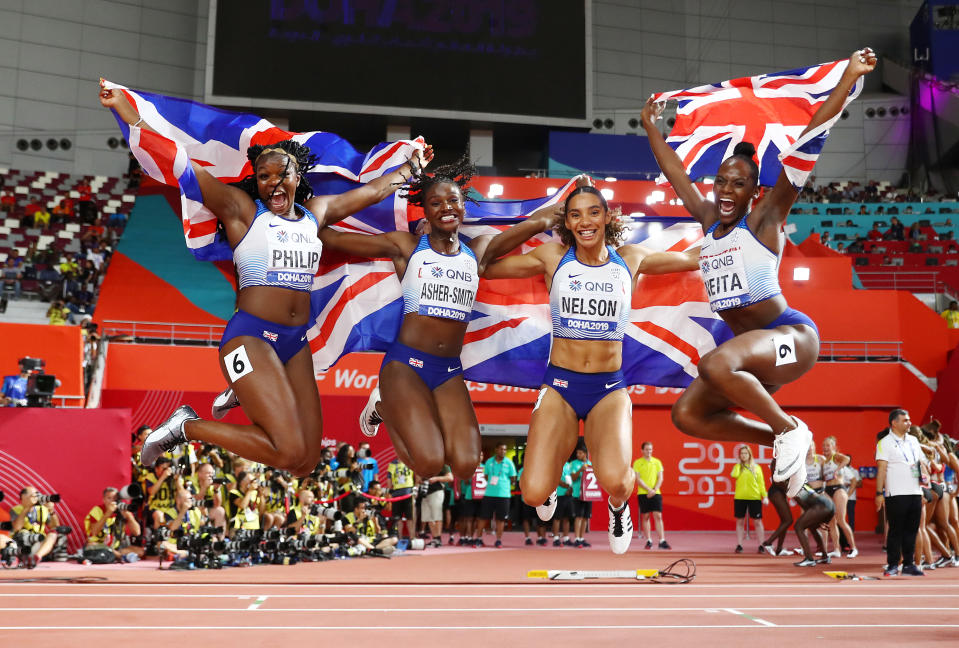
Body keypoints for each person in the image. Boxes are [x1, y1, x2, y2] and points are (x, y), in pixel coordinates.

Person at [100, 82, 433, 476]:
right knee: (287, 448)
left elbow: (375, 190)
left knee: (304, 463)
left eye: (283, 174)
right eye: (264, 176)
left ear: (297, 177)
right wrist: (132, 115)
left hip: (294, 344)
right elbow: (183, 167)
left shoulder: (316, 213)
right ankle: (185, 427)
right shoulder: (242, 212)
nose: (274, 182)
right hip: (251, 337)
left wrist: (414, 168)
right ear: (255, 181)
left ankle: (244, 393)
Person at [641, 49, 878, 498]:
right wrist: (652, 125)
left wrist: (847, 78)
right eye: (722, 181)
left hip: (792, 338)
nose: (727, 190)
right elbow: (676, 174)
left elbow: (807, 144)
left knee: (714, 362)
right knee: (687, 415)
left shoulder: (765, 219)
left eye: (738, 184)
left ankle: (789, 428)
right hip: (756, 362)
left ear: (755, 190)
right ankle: (783, 440)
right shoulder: (710, 221)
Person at [480, 184, 699, 554]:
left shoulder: (629, 259)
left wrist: (744, 233)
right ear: (565, 222)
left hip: (608, 388)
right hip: (560, 385)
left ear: (607, 217)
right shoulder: (553, 258)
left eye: (593, 212)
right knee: (532, 494)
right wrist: (535, 224)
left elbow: (692, 259)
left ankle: (618, 508)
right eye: (575, 214)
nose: (585, 221)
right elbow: (485, 266)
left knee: (616, 481)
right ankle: (548, 486)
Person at [340, 154, 495, 481]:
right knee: (427, 465)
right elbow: (338, 240)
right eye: (435, 202)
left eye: (453, 199)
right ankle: (383, 405)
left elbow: (532, 226)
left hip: (448, 369)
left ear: (464, 205)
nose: (446, 207)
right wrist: (304, 218)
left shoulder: (476, 253)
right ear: (424, 211)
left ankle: (393, 407)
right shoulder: (407, 247)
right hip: (406, 364)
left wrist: (561, 207)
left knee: (466, 466)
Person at [876, 409, 926, 576]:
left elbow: (920, 464)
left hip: (915, 492)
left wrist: (924, 486)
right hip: (896, 493)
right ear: (894, 423)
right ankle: (892, 564)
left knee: (912, 530)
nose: (909, 423)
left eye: (909, 420)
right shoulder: (884, 443)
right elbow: (881, 469)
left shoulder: (913, 441)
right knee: (896, 530)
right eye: (905, 420)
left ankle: (908, 565)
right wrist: (878, 493)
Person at [84, 487, 144, 562]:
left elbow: (137, 532)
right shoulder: (97, 510)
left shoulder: (122, 509)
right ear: (104, 500)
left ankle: (115, 555)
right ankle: (121, 557)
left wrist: (129, 516)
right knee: (91, 545)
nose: (113, 501)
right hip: (98, 545)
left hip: (115, 548)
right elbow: (94, 532)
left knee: (140, 551)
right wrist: (108, 513)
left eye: (115, 499)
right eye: (109, 498)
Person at [821, 436, 858, 557]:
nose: (825, 448)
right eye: (824, 445)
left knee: (841, 520)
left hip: (838, 488)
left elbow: (846, 459)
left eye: (828, 445)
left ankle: (853, 548)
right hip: (828, 489)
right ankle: (836, 549)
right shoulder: (823, 460)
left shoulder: (835, 456)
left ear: (833, 447)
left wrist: (838, 469)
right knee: (831, 521)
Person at [475, 442, 516, 548]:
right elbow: (486, 476)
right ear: (496, 450)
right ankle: (478, 539)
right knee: (483, 518)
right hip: (489, 494)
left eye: (505, 450)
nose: (504, 451)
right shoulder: (489, 462)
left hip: (504, 495)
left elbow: (513, 478)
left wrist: (503, 484)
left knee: (500, 519)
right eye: (501, 449)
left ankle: (498, 540)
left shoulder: (509, 463)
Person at [9, 487, 60, 569]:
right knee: (23, 533)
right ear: (23, 497)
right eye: (33, 495)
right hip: (22, 543)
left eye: (37, 495)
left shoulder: (42, 510)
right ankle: (27, 558)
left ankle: (36, 557)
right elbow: (16, 527)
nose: (36, 497)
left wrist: (51, 511)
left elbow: (55, 527)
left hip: (39, 542)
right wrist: (27, 508)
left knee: (53, 534)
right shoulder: (16, 509)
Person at [633, 441, 670, 550]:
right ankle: (648, 540)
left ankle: (662, 540)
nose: (649, 451)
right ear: (642, 450)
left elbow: (660, 478)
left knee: (658, 516)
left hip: (656, 493)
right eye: (646, 449)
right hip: (643, 493)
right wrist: (649, 490)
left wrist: (654, 490)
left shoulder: (657, 462)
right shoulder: (637, 463)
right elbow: (638, 479)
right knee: (645, 516)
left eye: (650, 449)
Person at [730, 445, 767, 553]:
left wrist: (764, 496)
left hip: (754, 497)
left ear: (749, 454)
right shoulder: (737, 467)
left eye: (746, 453)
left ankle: (761, 545)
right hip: (740, 497)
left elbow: (761, 483)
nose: (744, 455)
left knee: (757, 522)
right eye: (742, 454)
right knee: (740, 521)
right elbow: (734, 475)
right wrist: (738, 465)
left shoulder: (757, 467)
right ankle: (739, 544)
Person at [792, 485, 836, 567]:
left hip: (821, 506)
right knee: (812, 527)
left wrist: (816, 517)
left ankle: (809, 559)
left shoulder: (791, 486)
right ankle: (825, 557)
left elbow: (804, 505)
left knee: (798, 527)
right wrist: (819, 520)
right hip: (829, 505)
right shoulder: (801, 482)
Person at [421, 465, 452, 547]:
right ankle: (435, 538)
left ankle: (438, 539)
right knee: (428, 517)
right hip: (425, 492)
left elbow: (450, 478)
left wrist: (436, 478)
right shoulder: (422, 462)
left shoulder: (441, 464)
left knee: (437, 516)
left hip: (436, 491)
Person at [386, 457, 416, 540]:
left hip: (408, 492)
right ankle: (400, 538)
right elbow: (389, 478)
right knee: (397, 518)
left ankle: (412, 538)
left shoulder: (410, 462)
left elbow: (416, 475)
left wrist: (416, 487)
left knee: (410, 517)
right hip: (396, 494)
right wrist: (389, 492)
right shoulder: (392, 464)